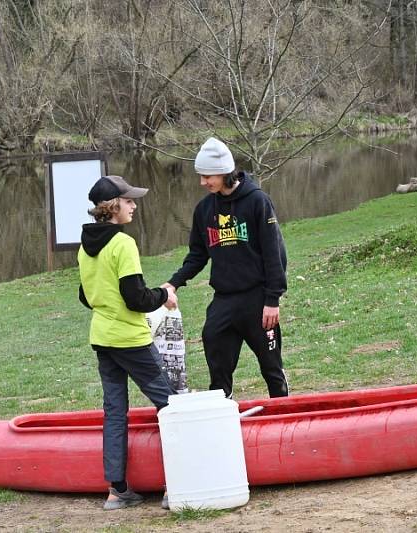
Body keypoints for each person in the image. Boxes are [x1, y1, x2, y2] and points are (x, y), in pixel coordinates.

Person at [77, 175, 178, 510]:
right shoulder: (122, 244)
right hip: (130, 341)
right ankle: (177, 484)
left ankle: (117, 490)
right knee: (171, 407)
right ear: (114, 206)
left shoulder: (84, 246)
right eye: (129, 201)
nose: (134, 206)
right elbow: (135, 297)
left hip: (102, 339)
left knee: (115, 411)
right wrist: (164, 295)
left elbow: (85, 295)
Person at [163, 137, 289, 398]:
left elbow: (274, 254)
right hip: (225, 300)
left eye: (207, 176)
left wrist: (272, 299)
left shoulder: (257, 201)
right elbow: (197, 255)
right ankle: (222, 415)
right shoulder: (204, 209)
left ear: (223, 172)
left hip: (257, 300)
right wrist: (174, 282)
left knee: (271, 367)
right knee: (215, 353)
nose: (203, 182)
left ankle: (284, 416)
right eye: (201, 176)